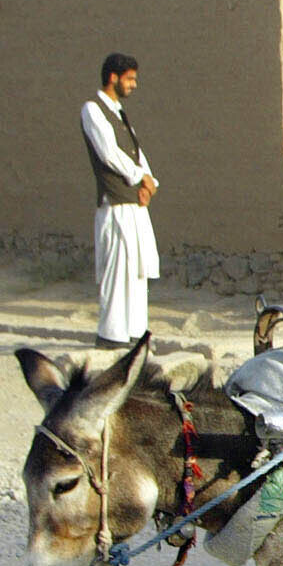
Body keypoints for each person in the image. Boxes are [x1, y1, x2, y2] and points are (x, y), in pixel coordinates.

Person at [80, 52, 160, 348]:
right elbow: (109, 153)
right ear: (113, 77)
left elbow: (138, 155)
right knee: (117, 274)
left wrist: (149, 184)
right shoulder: (92, 110)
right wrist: (140, 178)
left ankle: (136, 338)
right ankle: (111, 338)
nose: (134, 85)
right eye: (130, 78)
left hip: (134, 208)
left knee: (137, 274)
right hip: (114, 207)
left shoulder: (121, 115)